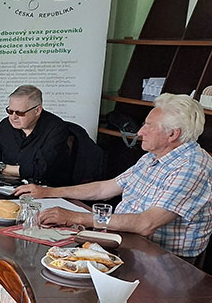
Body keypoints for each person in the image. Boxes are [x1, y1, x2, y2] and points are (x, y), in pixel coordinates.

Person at [14, 93, 212, 260]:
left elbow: (146, 224)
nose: (140, 131)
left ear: (172, 134)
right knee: (41, 249)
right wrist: (48, 192)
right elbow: (105, 188)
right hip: (126, 242)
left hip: (163, 261)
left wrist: (73, 217)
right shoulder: (153, 156)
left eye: (148, 125)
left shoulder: (192, 167)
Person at [0, 85, 71, 186]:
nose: (13, 117)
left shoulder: (56, 128)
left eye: (20, 113)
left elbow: (41, 170)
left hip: (45, 188)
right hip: (6, 185)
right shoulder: (5, 126)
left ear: (37, 110)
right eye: (10, 111)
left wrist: (1, 168)